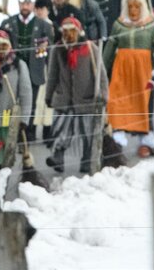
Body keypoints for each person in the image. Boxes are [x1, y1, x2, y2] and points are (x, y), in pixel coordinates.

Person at [103, 0, 154, 158]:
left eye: (137, 6)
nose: (133, 10)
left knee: (144, 105)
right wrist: (103, 72)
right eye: (130, 6)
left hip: (143, 71)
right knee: (118, 102)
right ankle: (117, 140)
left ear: (143, 6)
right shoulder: (119, 25)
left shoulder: (152, 26)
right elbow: (109, 49)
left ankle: (145, 141)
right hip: (121, 71)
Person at [45, 17, 108, 174]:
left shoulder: (90, 48)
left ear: (78, 32)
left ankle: (87, 159)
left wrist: (104, 96)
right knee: (62, 129)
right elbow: (52, 74)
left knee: (86, 131)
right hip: (64, 98)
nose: (68, 35)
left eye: (72, 31)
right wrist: (49, 95)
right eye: (65, 32)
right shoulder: (58, 49)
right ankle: (58, 156)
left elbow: (101, 75)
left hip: (86, 98)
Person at [2, 0, 53, 142]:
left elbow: (48, 52)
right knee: (10, 101)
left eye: (28, 3)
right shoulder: (8, 23)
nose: (25, 6)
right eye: (22, 3)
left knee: (30, 103)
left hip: (34, 71)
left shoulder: (44, 26)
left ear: (33, 4)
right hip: (12, 70)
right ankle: (7, 131)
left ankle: (27, 134)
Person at [0, 30, 32, 167]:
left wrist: (24, 120)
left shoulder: (19, 65)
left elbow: (26, 94)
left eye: (3, 45)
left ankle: (3, 183)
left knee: (5, 160)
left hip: (8, 119)